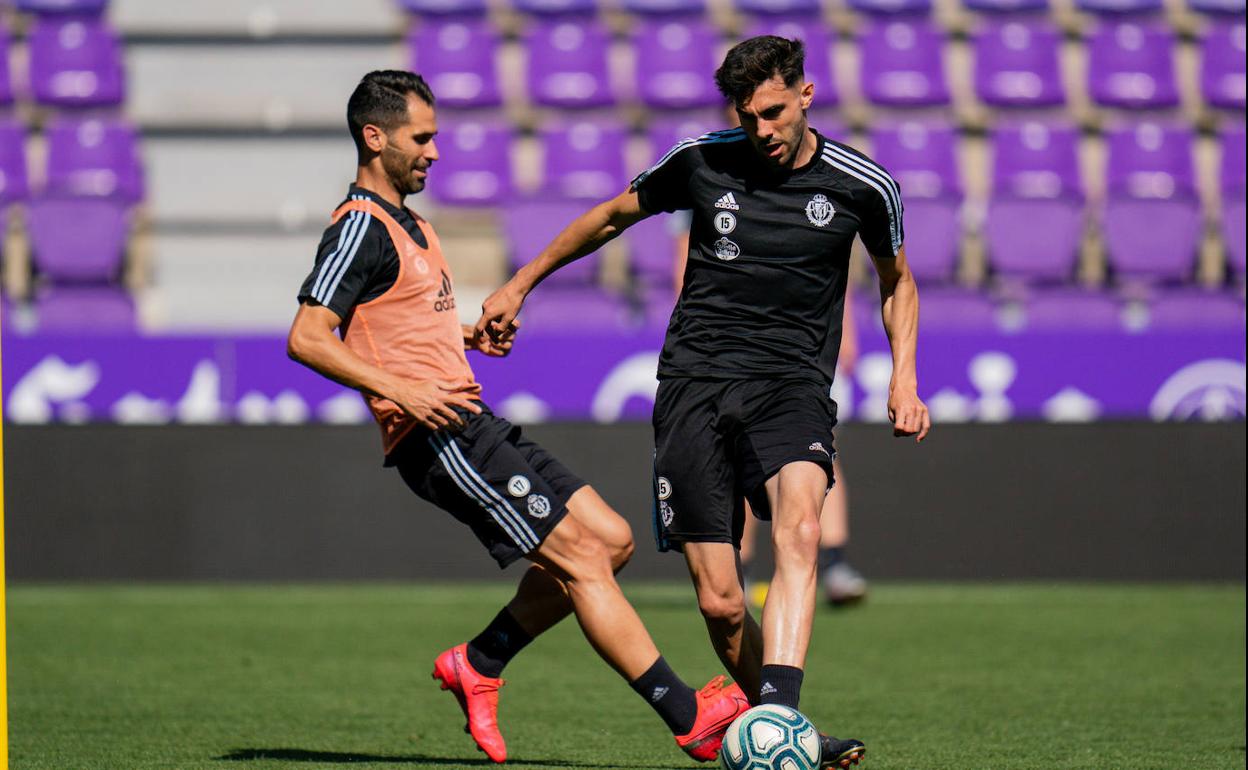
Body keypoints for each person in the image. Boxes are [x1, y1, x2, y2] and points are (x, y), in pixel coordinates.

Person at [477, 37, 931, 768]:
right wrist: (518, 284)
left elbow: (897, 280)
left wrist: (902, 376)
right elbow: (609, 217)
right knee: (721, 606)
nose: (763, 131)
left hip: (792, 388)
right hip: (694, 387)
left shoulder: (862, 185)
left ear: (806, 95)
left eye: (776, 113)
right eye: (749, 116)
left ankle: (780, 725)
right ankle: (791, 736)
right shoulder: (700, 160)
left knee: (802, 530)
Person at [286, 70, 749, 766]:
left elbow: (397, 322)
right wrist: (403, 392)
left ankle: (480, 661)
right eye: (422, 137)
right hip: (434, 434)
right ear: (374, 138)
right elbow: (308, 336)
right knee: (585, 559)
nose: (434, 151)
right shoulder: (358, 228)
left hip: (471, 417)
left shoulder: (412, 225)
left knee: (612, 539)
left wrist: (464, 337)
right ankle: (688, 718)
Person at [739, 290, 868, 608]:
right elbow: (687, 258)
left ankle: (835, 564)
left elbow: (836, 262)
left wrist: (845, 329)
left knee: (823, 450)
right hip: (742, 339)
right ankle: (736, 571)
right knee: (742, 453)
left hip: (809, 342)